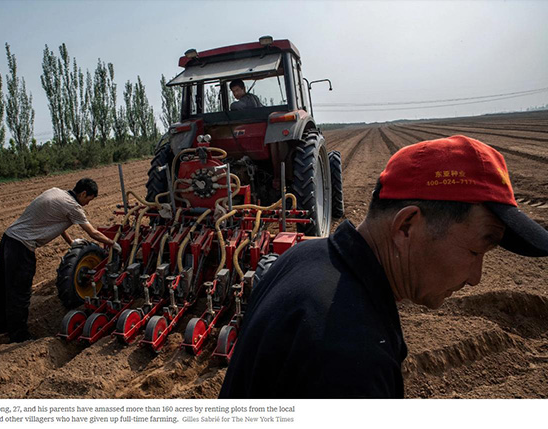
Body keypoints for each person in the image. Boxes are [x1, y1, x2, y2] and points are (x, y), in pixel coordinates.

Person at [219, 135, 548, 398]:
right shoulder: (352, 357)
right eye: (477, 250)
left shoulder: (303, 257)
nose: (476, 279)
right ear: (405, 227)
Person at [0, 178, 121, 343]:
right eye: (89, 199)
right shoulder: (73, 207)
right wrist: (114, 244)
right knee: (20, 292)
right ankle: (19, 335)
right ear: (83, 193)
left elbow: (55, 222)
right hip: (22, 247)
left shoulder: (56, 192)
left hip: (9, 238)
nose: (87, 204)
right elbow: (93, 233)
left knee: (3, 285)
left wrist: (71, 243)